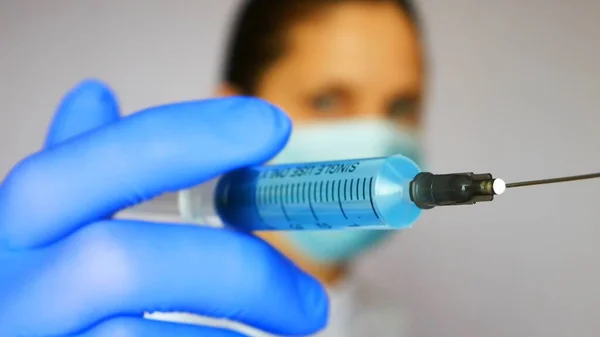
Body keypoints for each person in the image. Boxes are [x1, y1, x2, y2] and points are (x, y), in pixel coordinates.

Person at [0, 0, 424, 336]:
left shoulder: (388, 322)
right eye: (328, 100)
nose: (377, 134)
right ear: (234, 106)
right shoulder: (131, 310)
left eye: (402, 106)